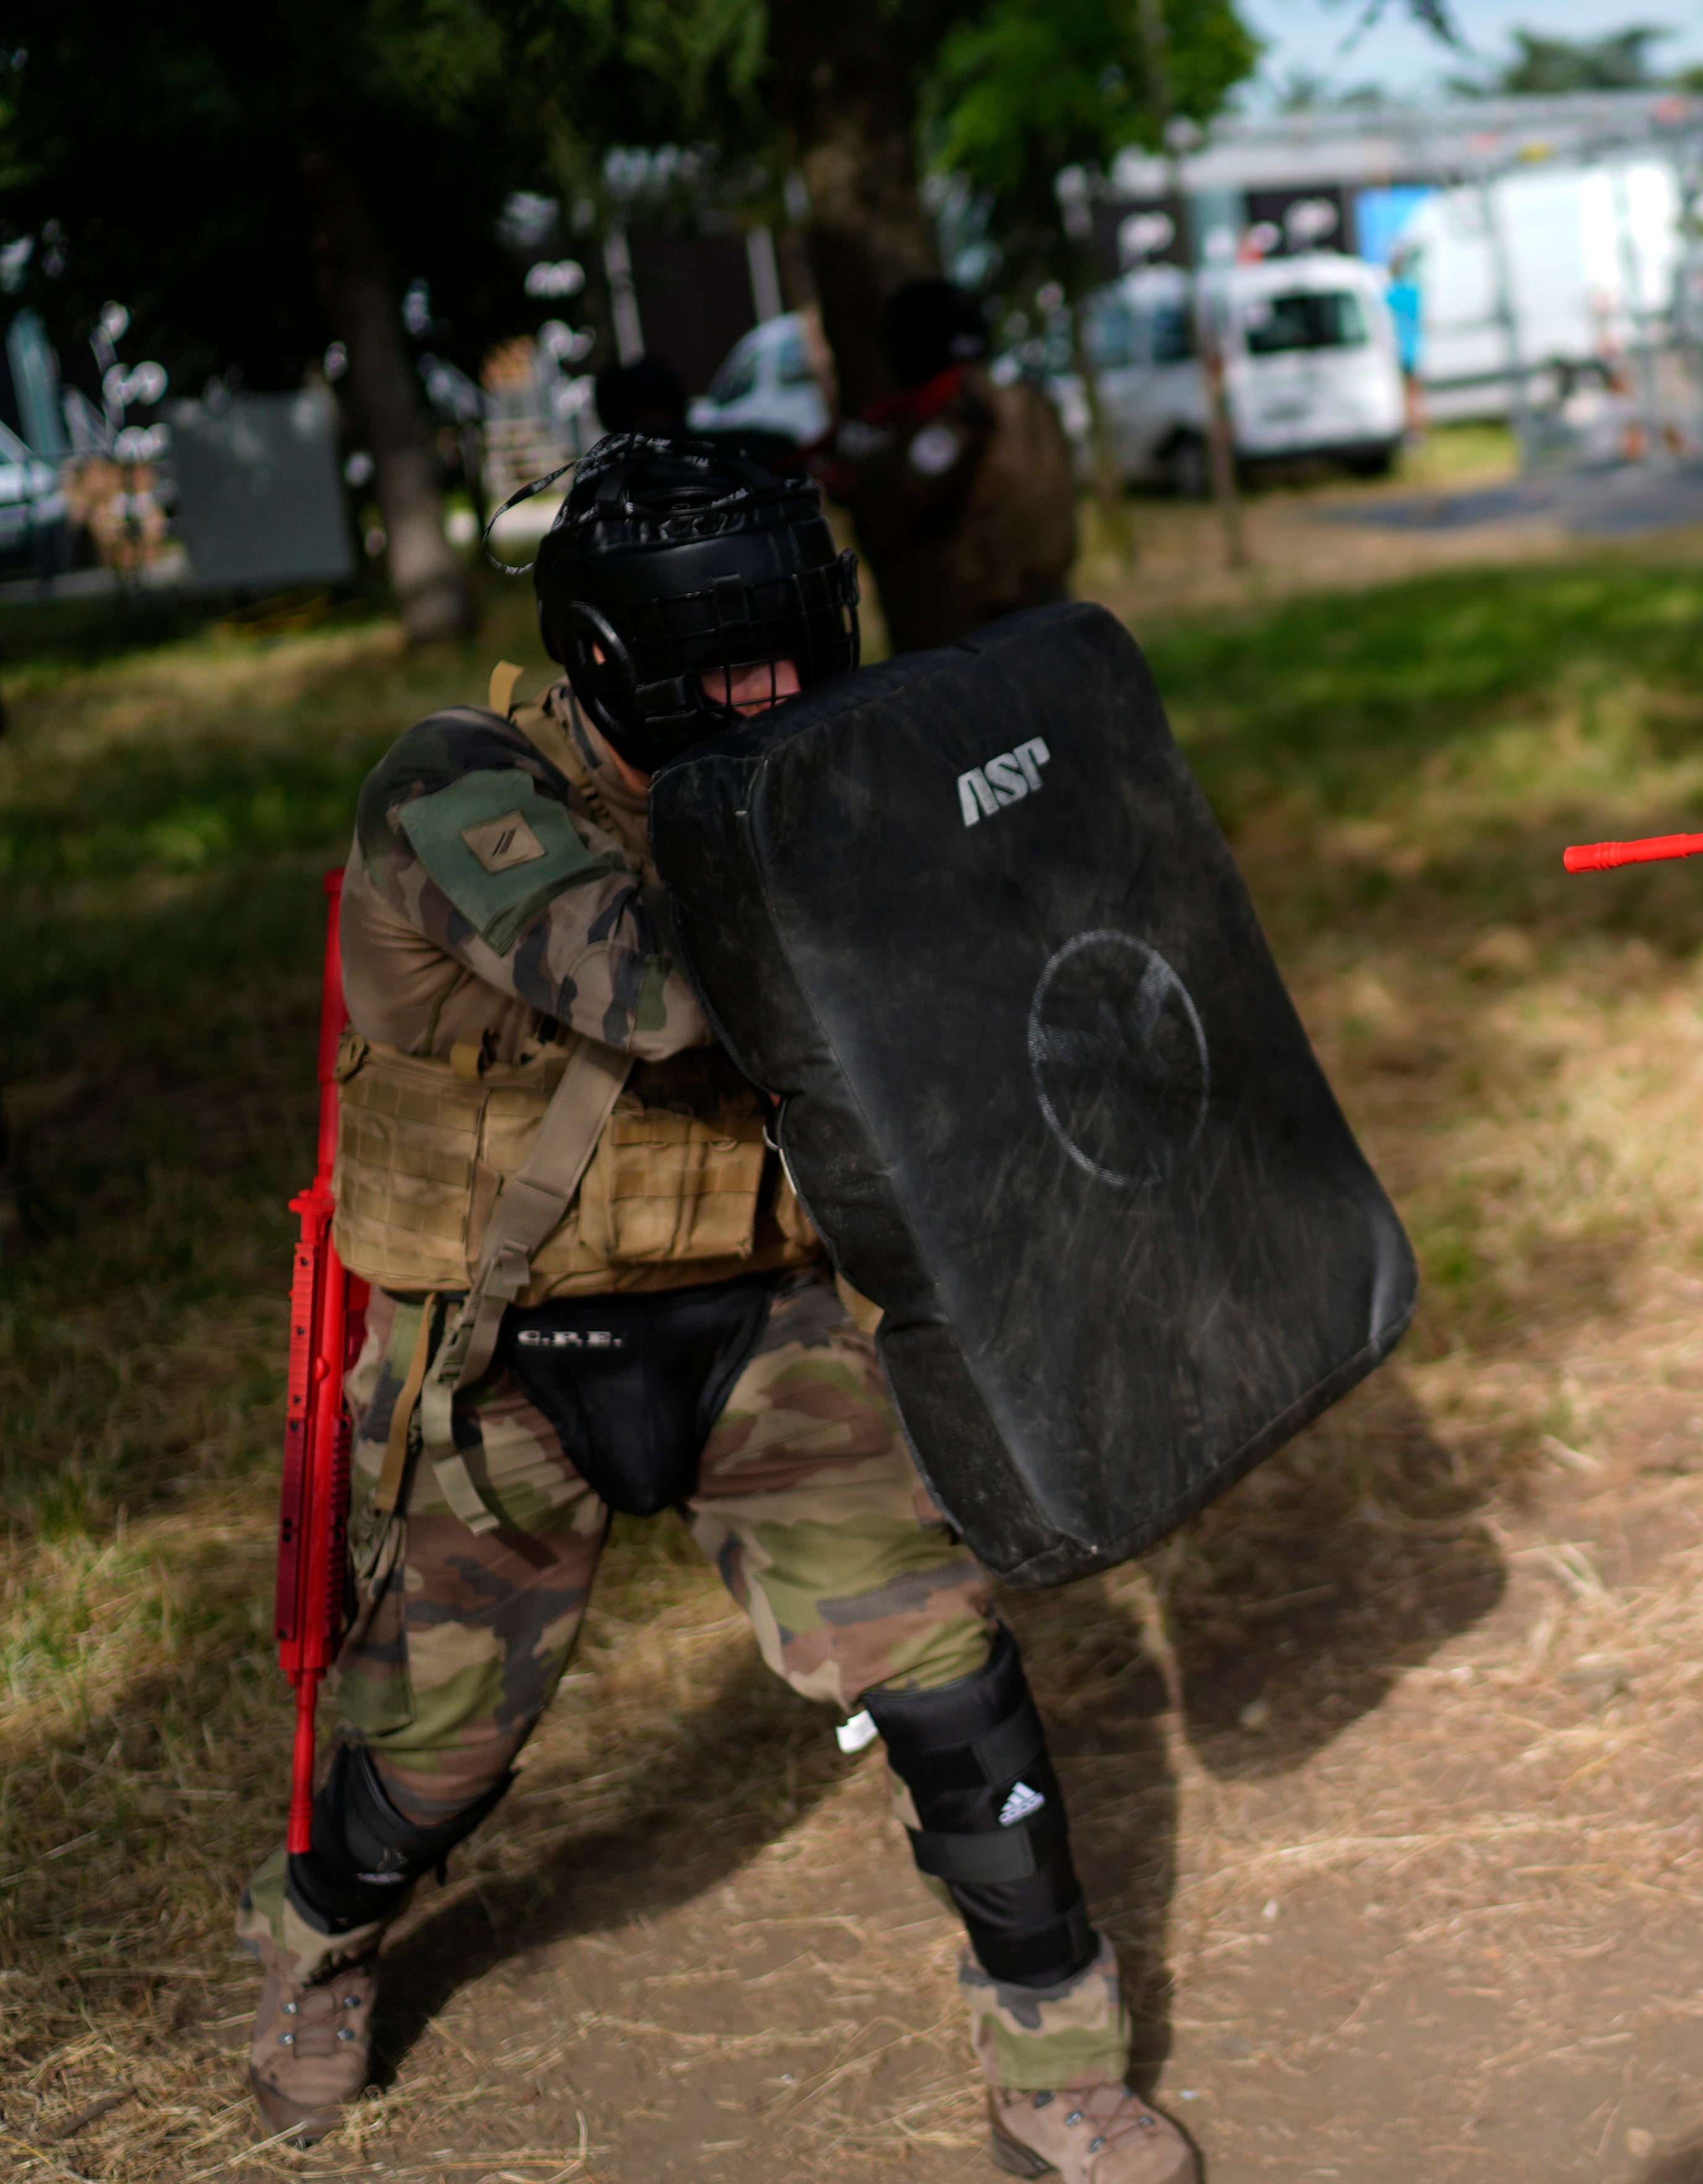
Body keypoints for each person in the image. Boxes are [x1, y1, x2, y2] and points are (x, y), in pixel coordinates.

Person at [235, 437, 1194, 2184]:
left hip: (758, 1326)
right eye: (723, 654)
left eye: (792, 646)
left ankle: (1056, 2058)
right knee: (428, 1767)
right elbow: (670, 992)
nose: (767, 689)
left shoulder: (799, 769)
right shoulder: (455, 786)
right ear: (606, 649)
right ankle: (316, 1933)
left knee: (948, 1675)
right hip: (504, 1358)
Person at [832, 277, 1078, 654]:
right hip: (1048, 605)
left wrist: (862, 476)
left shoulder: (961, 413)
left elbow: (911, 494)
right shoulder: (1023, 397)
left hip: (995, 620)